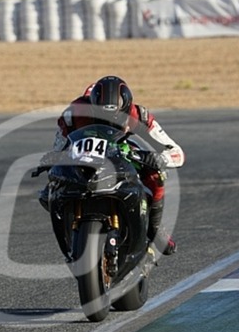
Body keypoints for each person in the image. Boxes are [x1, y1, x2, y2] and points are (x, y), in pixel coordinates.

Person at [39, 75, 185, 255]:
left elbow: (177, 153)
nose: (108, 122)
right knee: (49, 192)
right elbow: (59, 146)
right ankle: (70, 226)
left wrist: (159, 159)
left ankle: (154, 228)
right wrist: (53, 158)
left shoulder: (139, 115)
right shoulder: (74, 113)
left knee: (156, 175)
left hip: (120, 150)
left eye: (116, 118)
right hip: (82, 153)